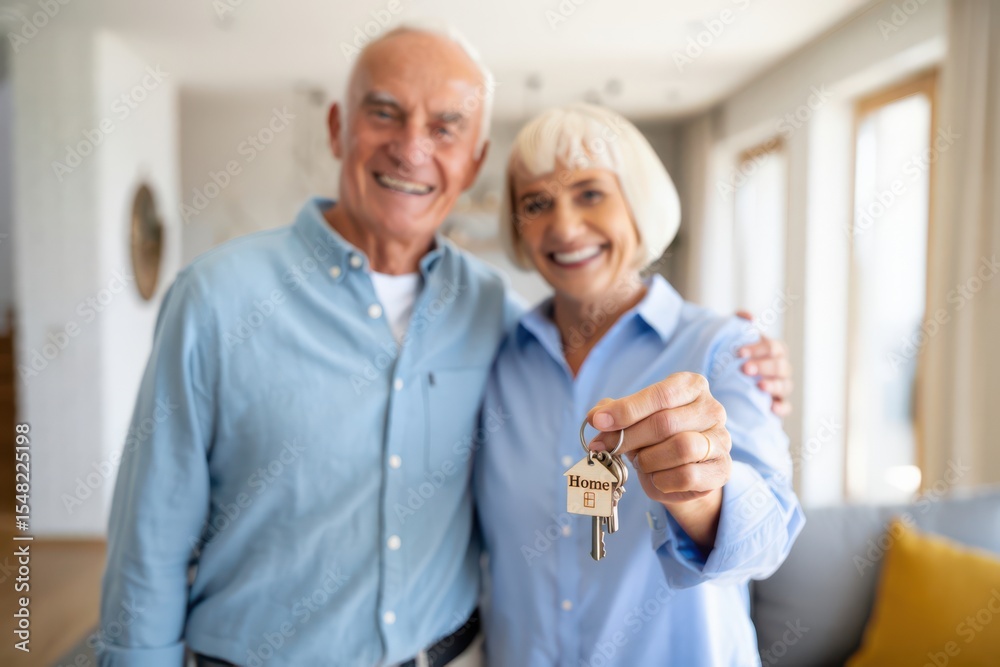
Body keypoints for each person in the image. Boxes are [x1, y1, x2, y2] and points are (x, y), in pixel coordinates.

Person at [98, 24, 794, 667]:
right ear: (339, 127)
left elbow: (766, 531)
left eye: (446, 125)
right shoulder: (220, 298)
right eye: (384, 112)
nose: (412, 146)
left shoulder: (517, 316)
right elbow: (149, 545)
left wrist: (711, 472)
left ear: (472, 161)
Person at [475, 103, 805, 666]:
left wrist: (702, 492)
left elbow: (767, 543)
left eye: (590, 193)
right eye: (536, 203)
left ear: (637, 202)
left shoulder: (724, 349)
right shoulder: (495, 358)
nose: (564, 225)